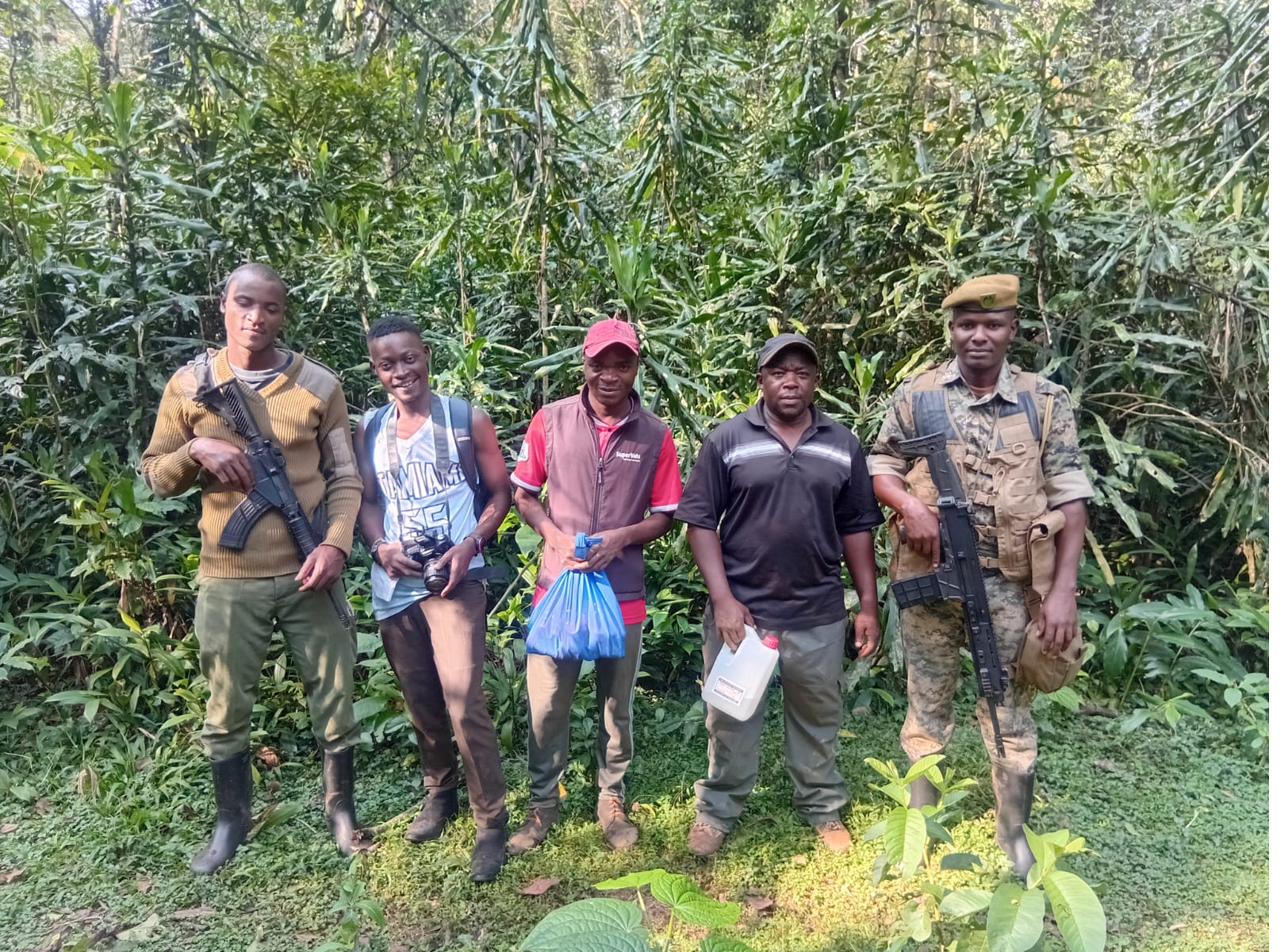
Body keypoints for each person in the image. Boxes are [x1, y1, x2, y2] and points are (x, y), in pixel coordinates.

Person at [140, 263, 364, 874]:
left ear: (282, 313)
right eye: (244, 303)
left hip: (310, 570)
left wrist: (336, 545)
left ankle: (341, 812)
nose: (255, 318)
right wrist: (195, 449)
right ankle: (230, 820)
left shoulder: (320, 384)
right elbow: (156, 476)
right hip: (227, 577)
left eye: (269, 307)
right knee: (226, 701)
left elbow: (345, 476)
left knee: (335, 692)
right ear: (224, 304)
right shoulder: (190, 385)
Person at [868, 274, 1092, 878]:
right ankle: (922, 821)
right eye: (966, 324)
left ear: (1012, 330)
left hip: (1013, 587)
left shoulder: (1044, 401)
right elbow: (880, 463)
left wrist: (1063, 591)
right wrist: (911, 506)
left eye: (992, 324)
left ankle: (1013, 833)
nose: (978, 336)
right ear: (952, 330)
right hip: (930, 581)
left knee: (1009, 709)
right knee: (926, 703)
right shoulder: (919, 395)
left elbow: (1072, 498)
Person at [675, 333, 883, 857]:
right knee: (730, 718)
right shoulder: (728, 440)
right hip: (743, 613)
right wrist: (722, 599)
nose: (790, 381)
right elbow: (699, 521)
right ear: (761, 380)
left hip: (817, 610)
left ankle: (821, 805)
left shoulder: (842, 444)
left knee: (818, 714)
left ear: (816, 382)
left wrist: (869, 604)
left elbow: (858, 525)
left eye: (802, 373)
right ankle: (718, 808)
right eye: (778, 372)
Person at [507, 318, 684, 854]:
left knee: (616, 704)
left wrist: (622, 538)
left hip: (621, 593)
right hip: (558, 593)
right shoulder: (551, 421)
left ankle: (611, 798)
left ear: (636, 367)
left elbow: (666, 514)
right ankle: (542, 804)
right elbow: (523, 494)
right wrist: (554, 536)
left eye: (622, 363)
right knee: (547, 703)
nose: (609, 374)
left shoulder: (655, 436)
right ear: (583, 364)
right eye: (599, 363)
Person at [353, 314, 513, 883]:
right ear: (376, 371)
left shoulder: (467, 419)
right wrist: (378, 546)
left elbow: (501, 492)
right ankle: (439, 793)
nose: (402, 372)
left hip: (454, 578)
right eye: (388, 364)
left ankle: (491, 821)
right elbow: (367, 500)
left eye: (409, 358)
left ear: (427, 356)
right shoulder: (370, 429)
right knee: (421, 699)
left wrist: (472, 544)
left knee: (464, 698)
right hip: (396, 584)